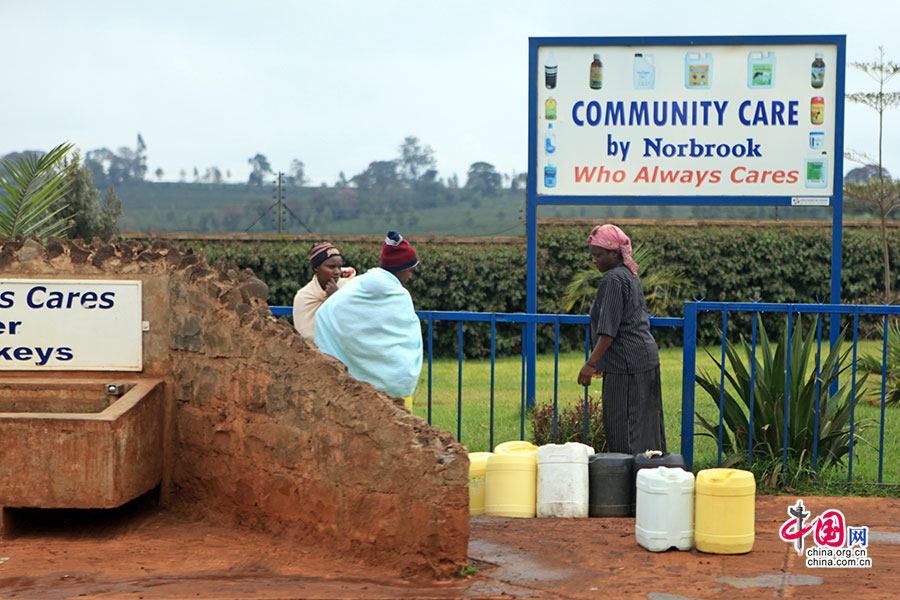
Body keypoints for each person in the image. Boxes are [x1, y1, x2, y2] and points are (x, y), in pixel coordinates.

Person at [576, 224, 666, 454]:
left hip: (627, 365)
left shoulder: (614, 280)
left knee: (622, 428)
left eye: (598, 255)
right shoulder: (630, 275)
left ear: (614, 253)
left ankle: (629, 482)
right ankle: (651, 477)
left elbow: (609, 330)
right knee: (646, 426)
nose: (594, 260)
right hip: (643, 358)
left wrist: (591, 363)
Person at [314, 231, 422, 410]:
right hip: (397, 387)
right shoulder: (400, 295)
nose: (410, 275)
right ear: (401, 268)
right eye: (410, 269)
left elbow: (326, 313)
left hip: (359, 390)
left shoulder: (357, 286)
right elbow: (407, 336)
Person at [293, 242, 355, 341]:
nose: (337, 272)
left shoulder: (348, 288)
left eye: (339, 267)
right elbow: (305, 334)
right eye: (331, 267)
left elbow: (353, 324)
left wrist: (335, 298)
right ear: (316, 268)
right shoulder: (304, 296)